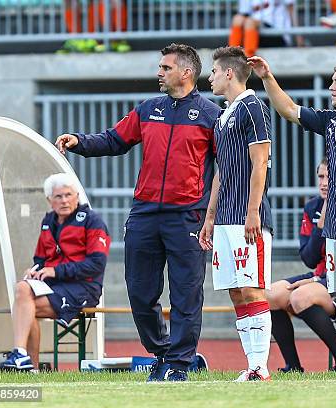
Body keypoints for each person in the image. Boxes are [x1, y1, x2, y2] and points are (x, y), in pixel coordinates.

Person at [55, 43, 220, 382]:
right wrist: (79, 141)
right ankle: (163, 352)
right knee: (139, 291)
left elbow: (228, 169)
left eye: (165, 67)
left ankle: (179, 363)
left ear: (186, 72)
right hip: (144, 214)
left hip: (187, 216)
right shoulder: (147, 109)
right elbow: (114, 140)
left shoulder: (210, 115)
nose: (159, 72)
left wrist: (212, 215)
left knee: (186, 292)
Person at [249, 55, 336, 381]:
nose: (331, 87)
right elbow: (289, 111)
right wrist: (267, 77)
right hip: (335, 231)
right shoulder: (332, 122)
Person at [200, 46, 273, 381]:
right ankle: (251, 364)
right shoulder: (224, 114)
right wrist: (210, 217)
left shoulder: (253, 106)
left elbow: (260, 162)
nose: (210, 77)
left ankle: (260, 365)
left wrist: (253, 211)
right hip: (225, 218)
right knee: (235, 291)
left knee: (253, 288)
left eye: (214, 71)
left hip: (247, 217)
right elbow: (220, 171)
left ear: (229, 73)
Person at [0, 173, 110, 372]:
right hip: (55, 285)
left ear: (77, 196)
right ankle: (22, 357)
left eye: (68, 195)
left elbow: (96, 265)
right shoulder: (48, 220)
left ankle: (28, 364)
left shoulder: (93, 221)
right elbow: (40, 258)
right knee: (23, 288)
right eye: (58, 196)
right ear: (49, 200)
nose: (64, 200)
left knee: (25, 306)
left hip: (83, 288)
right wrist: (36, 270)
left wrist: (55, 271)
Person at [267, 157, 336, 373]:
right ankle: (294, 366)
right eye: (321, 177)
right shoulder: (312, 206)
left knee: (300, 296)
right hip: (319, 276)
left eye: (329, 177)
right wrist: (320, 223)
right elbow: (308, 257)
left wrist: (317, 280)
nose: (324, 182)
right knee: (270, 295)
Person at [228, 0, 299, 57]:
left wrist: (299, 38)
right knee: (237, 19)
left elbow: (292, 10)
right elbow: (243, 14)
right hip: (255, 35)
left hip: (277, 34)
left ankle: (249, 59)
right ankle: (232, 57)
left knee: (250, 22)